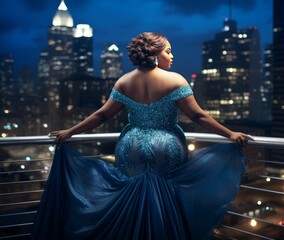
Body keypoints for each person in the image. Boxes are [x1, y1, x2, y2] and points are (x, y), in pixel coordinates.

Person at [31, 32, 253, 240]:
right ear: (155, 54)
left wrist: (70, 132)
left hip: (131, 146)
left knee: (134, 201)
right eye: (168, 51)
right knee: (165, 202)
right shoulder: (176, 80)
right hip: (165, 147)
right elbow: (197, 116)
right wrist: (230, 133)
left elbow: (101, 115)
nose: (172, 55)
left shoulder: (124, 81)